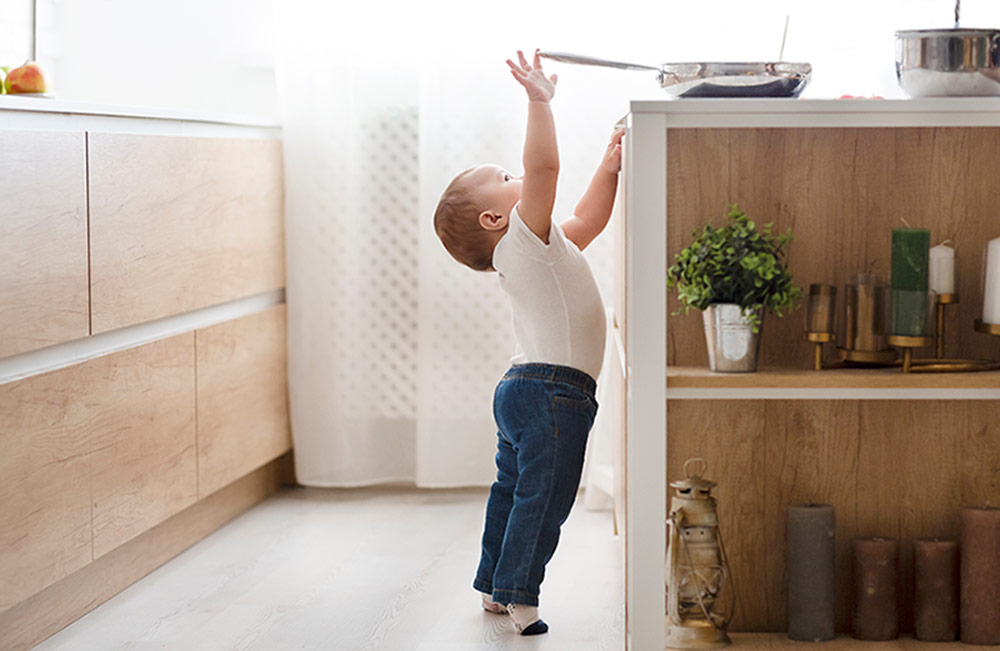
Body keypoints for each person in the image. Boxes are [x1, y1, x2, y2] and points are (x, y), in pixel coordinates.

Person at [433, 48, 623, 636]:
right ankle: (520, 594)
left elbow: (588, 221)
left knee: (512, 489)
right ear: (496, 221)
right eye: (506, 182)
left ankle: (493, 583)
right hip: (552, 394)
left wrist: (610, 167)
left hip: (525, 388)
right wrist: (540, 102)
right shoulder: (521, 238)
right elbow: (543, 170)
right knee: (545, 497)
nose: (522, 181)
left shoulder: (541, 247)